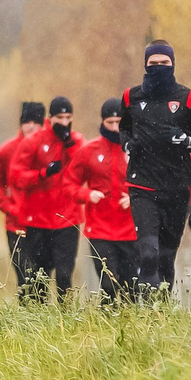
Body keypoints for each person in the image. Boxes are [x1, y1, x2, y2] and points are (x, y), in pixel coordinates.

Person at [119, 40, 191, 298]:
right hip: (142, 185)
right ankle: (145, 310)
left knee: (166, 257)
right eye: (153, 64)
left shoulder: (188, 98)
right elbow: (124, 128)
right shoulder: (130, 97)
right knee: (148, 253)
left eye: (164, 63)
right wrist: (128, 143)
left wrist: (186, 141)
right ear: (145, 65)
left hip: (177, 187)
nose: (159, 68)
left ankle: (161, 310)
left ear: (173, 64)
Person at [11, 96, 84, 303]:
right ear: (50, 118)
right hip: (39, 220)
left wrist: (69, 145)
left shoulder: (77, 141)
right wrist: (41, 174)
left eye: (68, 117)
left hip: (68, 218)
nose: (64, 122)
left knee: (64, 274)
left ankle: (66, 318)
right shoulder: (34, 142)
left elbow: (83, 170)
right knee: (38, 276)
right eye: (59, 117)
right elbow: (16, 177)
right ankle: (40, 320)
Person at [70, 98, 142, 304]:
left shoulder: (136, 149)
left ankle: (130, 330)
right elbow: (69, 184)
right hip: (100, 230)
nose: (115, 127)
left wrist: (134, 197)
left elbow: (152, 183)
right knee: (109, 285)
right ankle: (106, 326)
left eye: (119, 122)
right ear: (102, 122)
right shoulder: (88, 151)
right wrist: (86, 195)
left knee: (131, 289)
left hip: (130, 230)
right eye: (110, 122)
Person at [0, 103, 45, 289]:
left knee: (42, 277)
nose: (31, 126)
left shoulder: (50, 149)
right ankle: (27, 315)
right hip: (17, 224)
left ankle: (44, 316)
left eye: (36, 122)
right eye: (26, 121)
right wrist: (9, 207)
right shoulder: (7, 151)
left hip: (45, 224)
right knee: (26, 277)